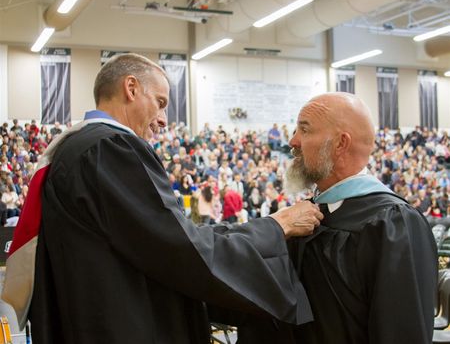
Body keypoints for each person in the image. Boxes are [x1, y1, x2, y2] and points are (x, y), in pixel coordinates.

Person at [2, 53, 324, 344]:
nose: (164, 120)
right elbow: (181, 249)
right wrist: (274, 227)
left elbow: (165, 237)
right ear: (131, 88)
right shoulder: (109, 148)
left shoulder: (78, 149)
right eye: (160, 102)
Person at [237, 92, 437, 344]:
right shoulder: (307, 215)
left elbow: (401, 332)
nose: (293, 141)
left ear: (340, 144)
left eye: (305, 130)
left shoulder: (393, 223)